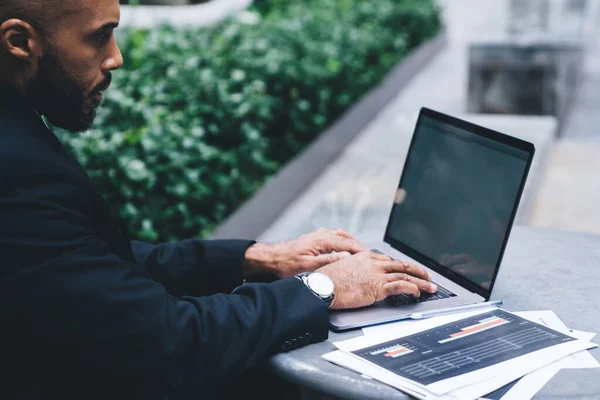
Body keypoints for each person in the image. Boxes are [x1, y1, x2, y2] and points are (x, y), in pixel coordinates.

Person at [0, 0, 437, 398]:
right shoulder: (19, 173)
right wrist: (325, 287)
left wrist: (257, 258)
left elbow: (95, 267)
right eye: (98, 36)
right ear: (19, 42)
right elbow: (164, 346)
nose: (116, 56)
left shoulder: (19, 139)